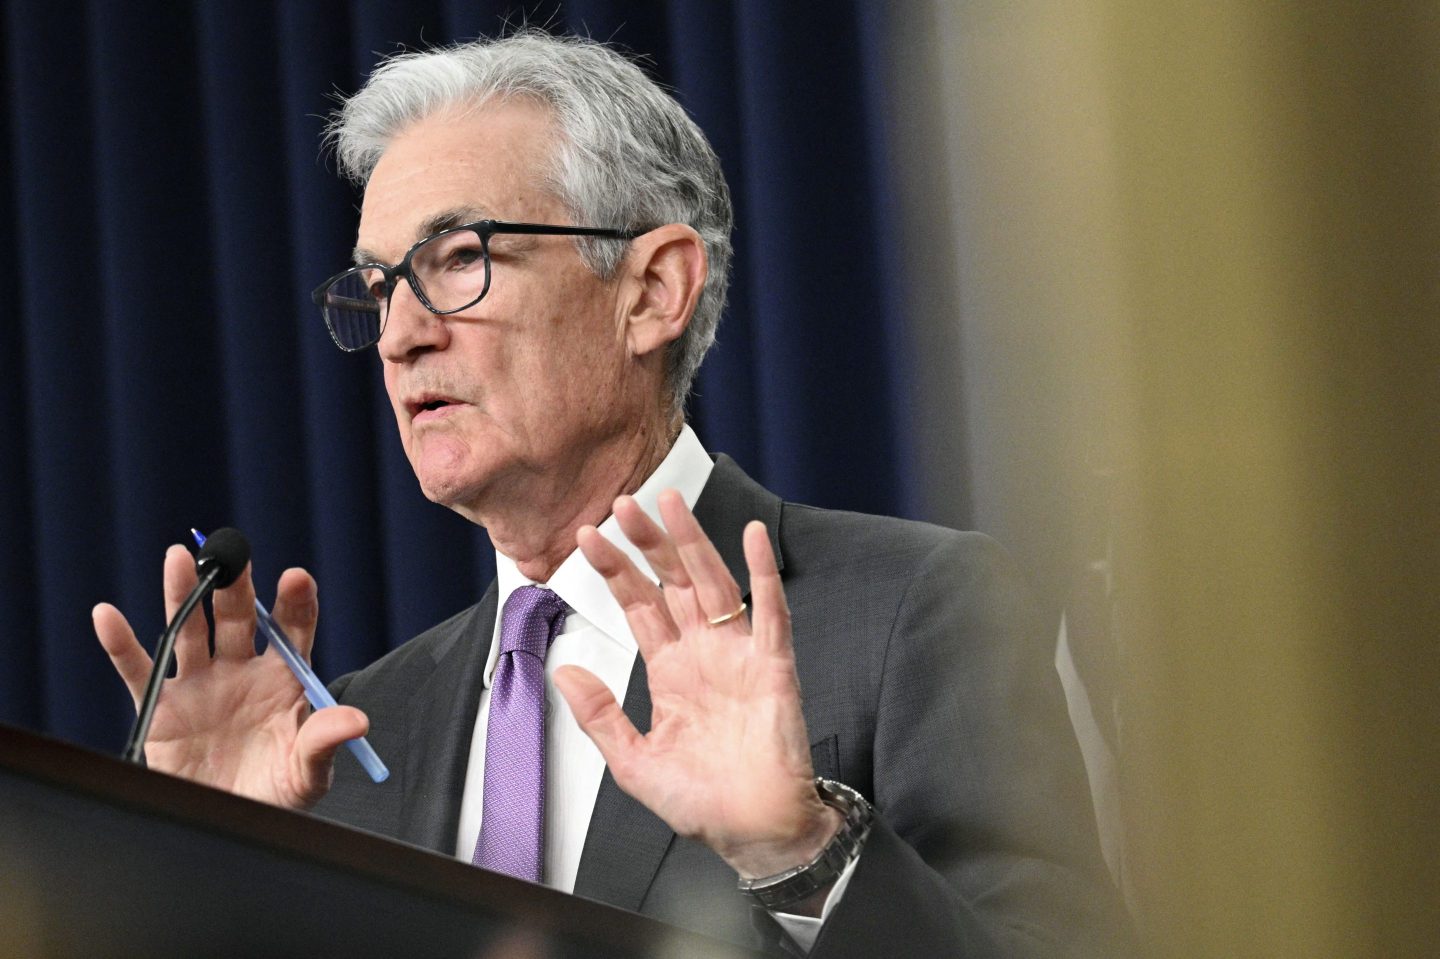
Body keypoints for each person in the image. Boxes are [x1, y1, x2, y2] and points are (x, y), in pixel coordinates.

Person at [94, 31, 1131, 957]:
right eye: (379, 288)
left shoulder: (915, 610)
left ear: (652, 291)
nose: (401, 334)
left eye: (459, 259)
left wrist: (802, 852)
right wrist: (206, 870)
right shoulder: (361, 733)